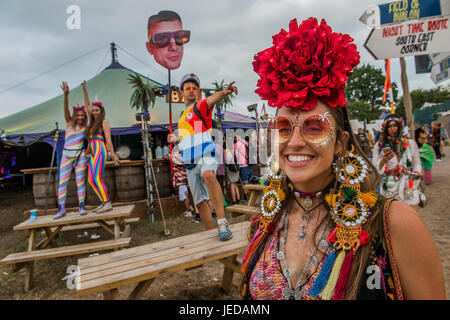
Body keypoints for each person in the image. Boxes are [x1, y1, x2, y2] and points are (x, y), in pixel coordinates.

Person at [240, 17, 445, 300]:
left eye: (314, 127)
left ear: (340, 143)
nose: (295, 142)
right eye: (284, 128)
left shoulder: (396, 223)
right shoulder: (265, 221)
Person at [167, 73, 237, 240]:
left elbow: (213, 98)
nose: (191, 91)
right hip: (189, 161)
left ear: (198, 92)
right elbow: (188, 134)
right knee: (199, 202)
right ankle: (208, 234)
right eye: (188, 88)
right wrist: (176, 138)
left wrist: (223, 92)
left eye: (194, 88)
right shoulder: (182, 116)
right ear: (181, 92)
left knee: (208, 174)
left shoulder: (200, 106)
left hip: (206, 153)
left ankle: (221, 221)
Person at [82, 81, 119, 213]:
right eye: (93, 111)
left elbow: (108, 140)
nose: (94, 112)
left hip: (100, 149)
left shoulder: (104, 122)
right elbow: (87, 105)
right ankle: (103, 202)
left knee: (96, 178)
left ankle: (107, 203)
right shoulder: (92, 123)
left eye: (97, 110)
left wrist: (113, 155)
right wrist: (85, 89)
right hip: (93, 151)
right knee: (91, 180)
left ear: (101, 111)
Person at [53, 81, 89, 219]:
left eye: (82, 115)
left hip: (80, 156)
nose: (80, 117)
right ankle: (61, 209)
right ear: (74, 116)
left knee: (80, 181)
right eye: (78, 115)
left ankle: (81, 206)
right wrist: (66, 95)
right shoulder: (68, 122)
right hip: (67, 155)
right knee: (63, 181)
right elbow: (66, 108)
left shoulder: (85, 128)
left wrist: (85, 90)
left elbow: (91, 139)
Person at [372, 115, 423, 210]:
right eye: (389, 126)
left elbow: (417, 162)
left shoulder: (410, 143)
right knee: (392, 216)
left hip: (408, 185)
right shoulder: (379, 146)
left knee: (412, 214)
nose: (392, 129)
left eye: (395, 125)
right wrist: (384, 161)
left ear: (400, 127)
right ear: (385, 128)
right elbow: (375, 168)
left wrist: (417, 171)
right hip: (389, 185)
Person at [164, 150, 195, 218]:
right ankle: (189, 208)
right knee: (186, 194)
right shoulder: (186, 156)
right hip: (186, 178)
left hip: (180, 180)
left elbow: (166, 156)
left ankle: (189, 210)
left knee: (184, 196)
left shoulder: (174, 156)